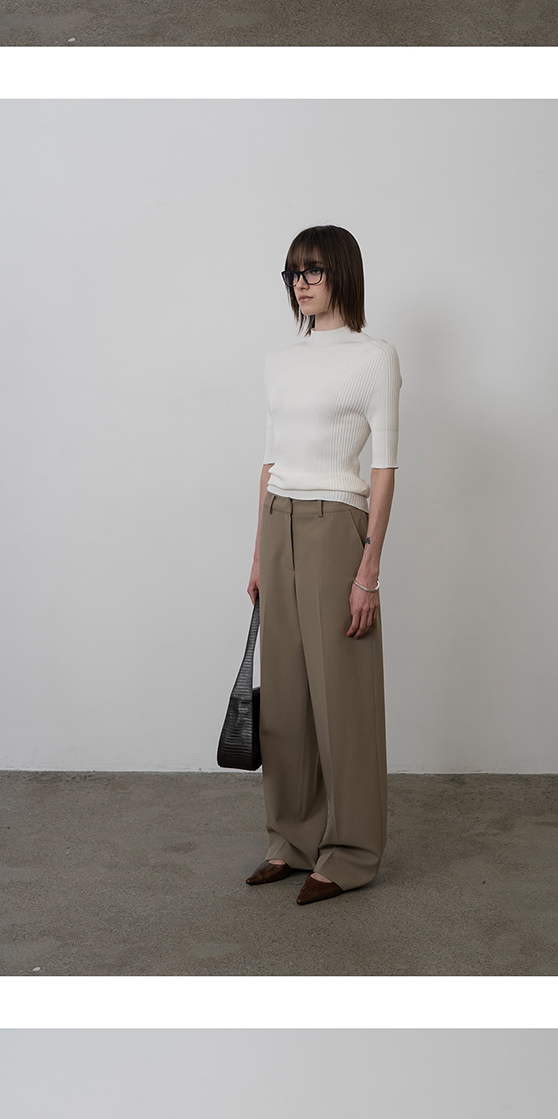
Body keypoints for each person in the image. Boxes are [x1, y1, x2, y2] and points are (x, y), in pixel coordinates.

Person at [246, 224, 401, 902]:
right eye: (292, 273)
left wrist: (369, 571)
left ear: (342, 272)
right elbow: (270, 460)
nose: (301, 284)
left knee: (344, 698)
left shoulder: (375, 357)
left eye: (312, 270)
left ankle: (353, 852)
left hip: (337, 524)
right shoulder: (280, 359)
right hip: (278, 520)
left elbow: (384, 469)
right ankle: (291, 840)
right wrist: (258, 552)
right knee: (284, 697)